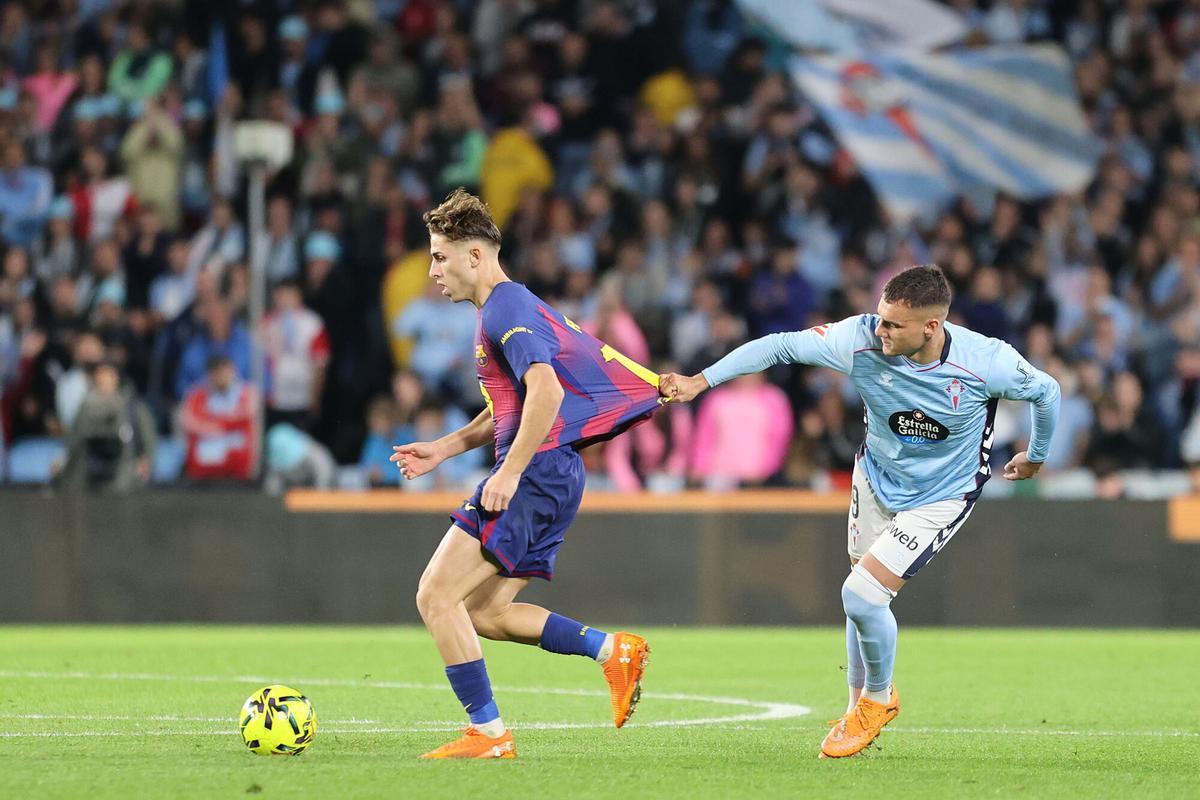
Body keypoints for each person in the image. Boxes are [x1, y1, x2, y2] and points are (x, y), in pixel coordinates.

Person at [659, 265, 1061, 759]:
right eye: (880, 317)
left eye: (894, 324)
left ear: (931, 327)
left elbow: (1047, 391)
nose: (881, 330)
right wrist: (702, 380)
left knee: (862, 594)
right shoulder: (859, 337)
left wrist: (1037, 454)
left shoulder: (988, 361)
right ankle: (856, 710)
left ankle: (878, 696)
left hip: (941, 495)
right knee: (860, 597)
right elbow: (779, 345)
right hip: (875, 479)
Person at [390, 189, 663, 760]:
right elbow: (508, 405)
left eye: (440, 256)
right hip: (551, 471)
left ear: (474, 255)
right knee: (486, 612)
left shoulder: (507, 308)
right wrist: (445, 447)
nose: (433, 269)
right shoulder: (502, 308)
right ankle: (612, 651)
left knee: (436, 595)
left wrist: (509, 472)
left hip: (535, 471)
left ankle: (489, 736)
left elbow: (546, 389)